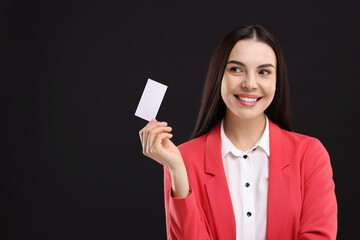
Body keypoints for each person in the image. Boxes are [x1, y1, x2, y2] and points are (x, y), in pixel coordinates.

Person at [139, 25, 337, 240]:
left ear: (277, 80)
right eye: (236, 69)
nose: (250, 84)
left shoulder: (310, 155)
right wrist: (177, 168)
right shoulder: (183, 159)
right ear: (219, 76)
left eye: (264, 72)